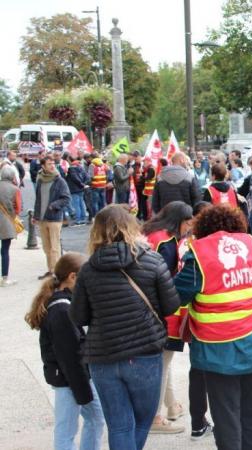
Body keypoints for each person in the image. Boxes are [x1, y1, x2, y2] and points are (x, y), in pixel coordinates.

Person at [70, 204, 180, 449]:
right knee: (142, 420)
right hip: (144, 352)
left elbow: (78, 316)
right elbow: (171, 306)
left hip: (103, 355)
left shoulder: (88, 269)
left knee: (119, 425)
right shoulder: (152, 261)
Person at [174, 205, 252, 450]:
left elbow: (176, 296)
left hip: (217, 349)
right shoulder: (251, 244)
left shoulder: (198, 254)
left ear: (203, 228)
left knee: (226, 418)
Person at [25, 252, 105, 450]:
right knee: (66, 432)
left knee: (93, 420)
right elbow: (70, 357)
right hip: (69, 380)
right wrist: (84, 392)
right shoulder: (62, 311)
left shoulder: (63, 303)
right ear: (72, 277)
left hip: (72, 378)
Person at [142, 202, 195, 434]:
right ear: (179, 221)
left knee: (165, 361)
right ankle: (154, 416)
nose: (189, 227)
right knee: (162, 362)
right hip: (161, 308)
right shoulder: (168, 243)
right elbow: (163, 277)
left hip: (146, 304)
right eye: (188, 222)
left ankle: (171, 405)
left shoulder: (153, 233)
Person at [34, 156, 71, 279]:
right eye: (49, 164)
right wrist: (36, 215)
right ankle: (50, 270)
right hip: (42, 219)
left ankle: (57, 273)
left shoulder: (59, 181)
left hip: (54, 218)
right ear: (43, 166)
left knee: (55, 247)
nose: (52, 166)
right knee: (46, 247)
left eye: (53, 163)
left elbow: (66, 198)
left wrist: (54, 205)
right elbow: (38, 200)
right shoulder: (40, 180)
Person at [0, 165, 21, 286]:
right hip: (6, 221)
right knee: (5, 250)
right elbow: (17, 208)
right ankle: (4, 278)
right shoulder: (15, 189)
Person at [66, 156, 88, 225]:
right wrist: (84, 184)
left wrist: (81, 184)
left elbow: (74, 178)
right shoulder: (81, 168)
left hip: (74, 189)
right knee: (81, 203)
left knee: (76, 204)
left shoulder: (71, 169)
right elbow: (86, 177)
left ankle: (78, 220)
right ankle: (83, 218)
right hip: (81, 188)